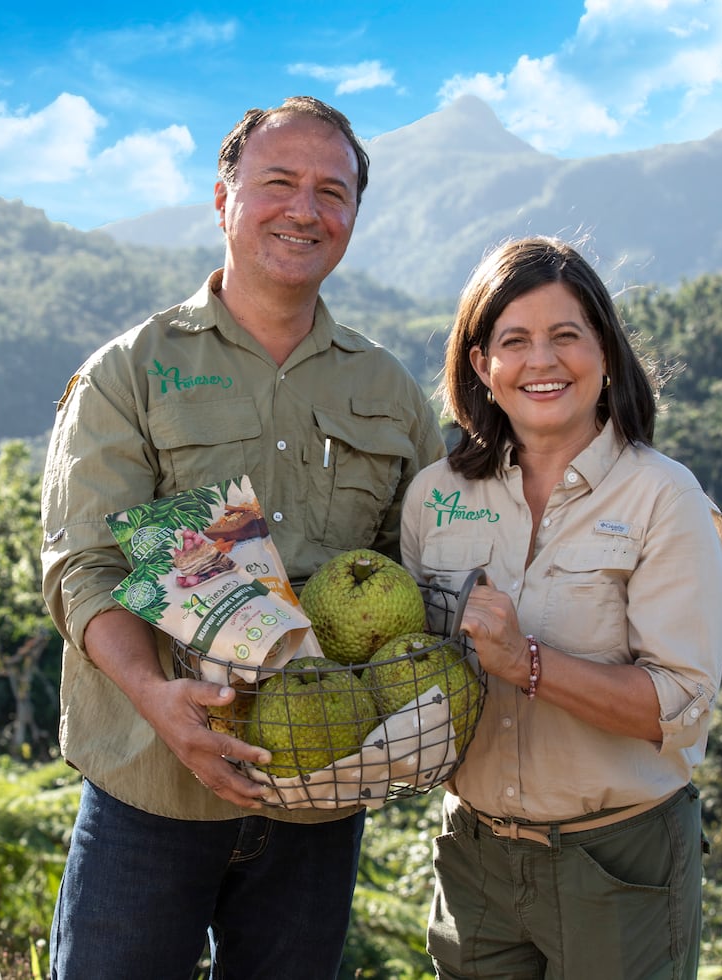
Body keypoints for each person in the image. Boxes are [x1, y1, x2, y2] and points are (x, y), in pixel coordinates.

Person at [40, 95, 446, 979]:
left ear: (352, 221)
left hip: (322, 798)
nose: (306, 209)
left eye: (332, 192)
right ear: (223, 199)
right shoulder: (130, 373)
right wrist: (156, 697)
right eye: (279, 182)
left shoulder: (390, 392)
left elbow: (420, 573)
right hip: (151, 786)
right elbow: (85, 567)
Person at [399, 235, 722, 980]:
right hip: (473, 859)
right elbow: (412, 666)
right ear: (482, 366)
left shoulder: (664, 498)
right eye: (514, 340)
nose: (542, 361)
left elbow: (679, 707)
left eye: (566, 336)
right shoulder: (435, 495)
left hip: (619, 864)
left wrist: (527, 664)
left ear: (606, 353)